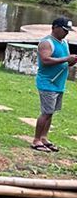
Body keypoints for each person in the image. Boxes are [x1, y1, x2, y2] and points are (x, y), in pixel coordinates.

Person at [33, 15, 77, 152]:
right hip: (47, 82)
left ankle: (44, 137)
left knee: (51, 112)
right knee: (46, 112)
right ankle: (36, 140)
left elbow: (64, 62)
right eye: (64, 29)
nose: (66, 33)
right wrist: (66, 58)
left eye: (68, 30)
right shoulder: (47, 43)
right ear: (55, 28)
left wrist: (71, 61)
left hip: (59, 83)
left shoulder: (64, 43)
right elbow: (45, 60)